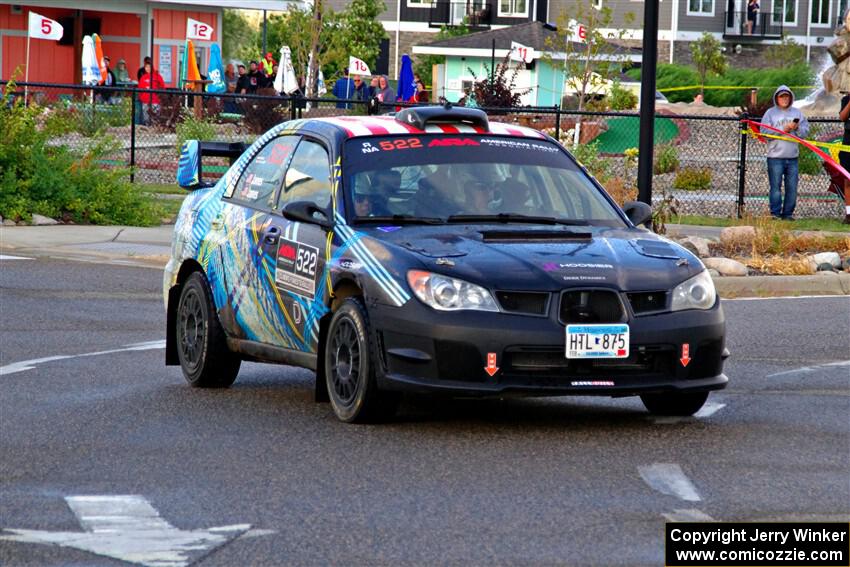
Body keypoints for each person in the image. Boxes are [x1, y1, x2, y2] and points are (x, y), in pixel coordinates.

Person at [761, 85, 809, 220]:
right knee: (775, 187)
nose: (784, 99)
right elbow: (764, 133)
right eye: (782, 96)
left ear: (790, 97)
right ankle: (775, 213)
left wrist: (797, 128)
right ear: (777, 98)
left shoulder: (797, 113)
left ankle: (788, 214)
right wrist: (783, 129)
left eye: (786, 96)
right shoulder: (770, 113)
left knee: (792, 188)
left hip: (792, 157)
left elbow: (805, 133)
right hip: (775, 157)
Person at [837, 94, 850, 223]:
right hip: (848, 146)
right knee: (848, 180)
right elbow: (842, 117)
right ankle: (849, 214)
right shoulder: (846, 100)